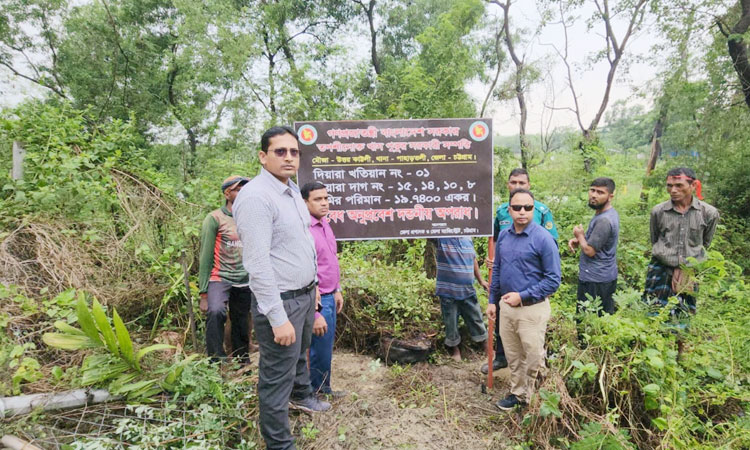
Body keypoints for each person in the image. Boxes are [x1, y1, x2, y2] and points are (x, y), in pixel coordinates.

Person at [234, 126, 330, 450]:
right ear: (263, 156)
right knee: (276, 376)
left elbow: (301, 248)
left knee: (298, 358)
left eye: (294, 152)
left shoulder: (290, 193)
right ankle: (279, 442)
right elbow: (258, 264)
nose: (289, 157)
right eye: (280, 151)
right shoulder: (256, 198)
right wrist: (277, 318)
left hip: (304, 295)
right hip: (281, 301)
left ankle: (303, 397)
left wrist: (314, 296)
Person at [487, 189, 561, 410]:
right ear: (509, 210)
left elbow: (553, 280)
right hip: (507, 308)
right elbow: (498, 269)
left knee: (533, 356)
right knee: (513, 355)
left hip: (531, 309)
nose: (522, 212)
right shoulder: (505, 237)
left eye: (527, 207)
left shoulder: (543, 239)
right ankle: (518, 395)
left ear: (534, 209)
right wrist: (492, 300)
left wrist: (523, 296)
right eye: (517, 207)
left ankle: (538, 397)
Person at [642, 167, 719, 325]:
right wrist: (670, 259)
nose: (673, 190)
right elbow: (655, 239)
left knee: (683, 317)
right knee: (653, 313)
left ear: (693, 186)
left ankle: (679, 349)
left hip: (689, 271)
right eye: (669, 185)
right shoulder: (658, 211)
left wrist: (686, 265)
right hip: (661, 268)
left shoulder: (708, 213)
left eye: (679, 185)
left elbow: (704, 244)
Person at [198, 175, 252, 363]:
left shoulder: (250, 218)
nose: (243, 192)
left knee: (241, 319)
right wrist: (203, 293)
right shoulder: (214, 219)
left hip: (245, 279)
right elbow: (205, 256)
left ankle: (241, 360)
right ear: (227, 193)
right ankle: (216, 360)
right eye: (238, 189)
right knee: (216, 311)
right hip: (220, 277)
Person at [301, 181, 346, 397]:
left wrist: (337, 289)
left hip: (330, 295)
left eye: (326, 198)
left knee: (325, 348)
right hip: (317, 298)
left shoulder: (324, 225)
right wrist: (315, 310)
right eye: (318, 199)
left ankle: (324, 388)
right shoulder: (305, 230)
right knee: (316, 350)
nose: (324, 203)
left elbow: (330, 261)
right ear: (304, 202)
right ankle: (314, 393)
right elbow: (306, 271)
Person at [568, 178, 620, 319]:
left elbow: (590, 251)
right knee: (601, 318)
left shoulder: (604, 220)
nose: (594, 195)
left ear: (610, 196)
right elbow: (599, 242)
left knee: (588, 321)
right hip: (602, 276)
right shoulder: (603, 213)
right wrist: (581, 239)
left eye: (600, 192)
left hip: (596, 279)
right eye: (592, 190)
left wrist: (579, 235)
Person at [431, 237, 489, 362]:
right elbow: (424, 230)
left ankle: (485, 345)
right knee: (450, 322)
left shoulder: (468, 237)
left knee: (476, 318)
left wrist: (481, 280)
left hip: (467, 290)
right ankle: (454, 348)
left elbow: (473, 259)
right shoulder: (441, 238)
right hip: (448, 291)